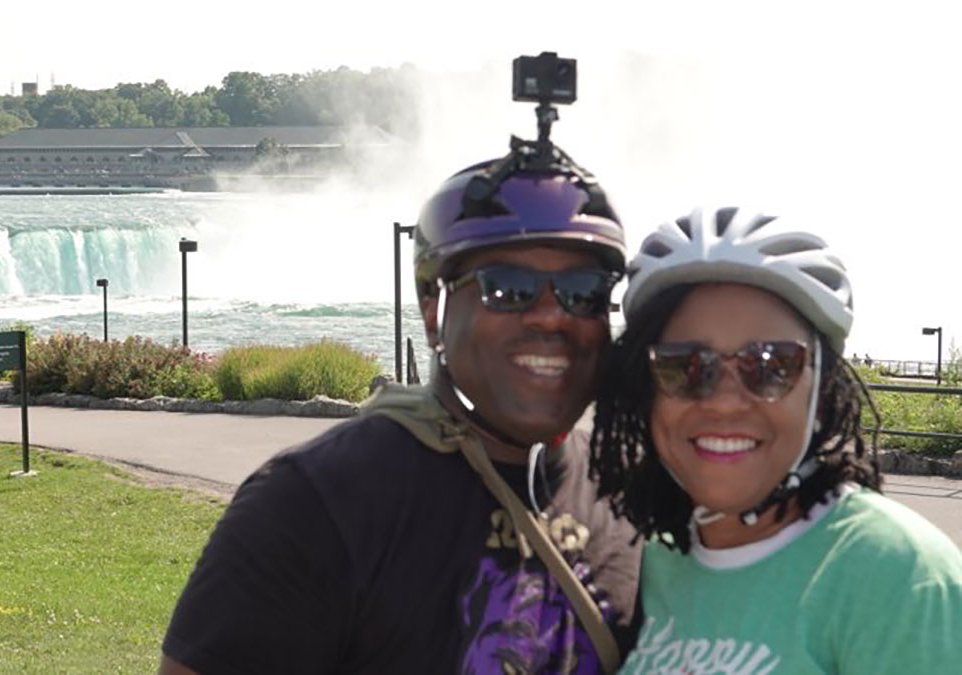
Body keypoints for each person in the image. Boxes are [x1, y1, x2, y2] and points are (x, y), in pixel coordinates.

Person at [160, 150, 643, 671]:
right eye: (508, 289)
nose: (550, 317)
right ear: (434, 312)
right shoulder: (315, 504)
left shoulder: (635, 497)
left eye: (583, 292)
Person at [590, 206, 962, 673]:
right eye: (684, 366)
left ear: (821, 394)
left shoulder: (899, 576)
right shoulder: (651, 560)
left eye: (771, 366)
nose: (725, 403)